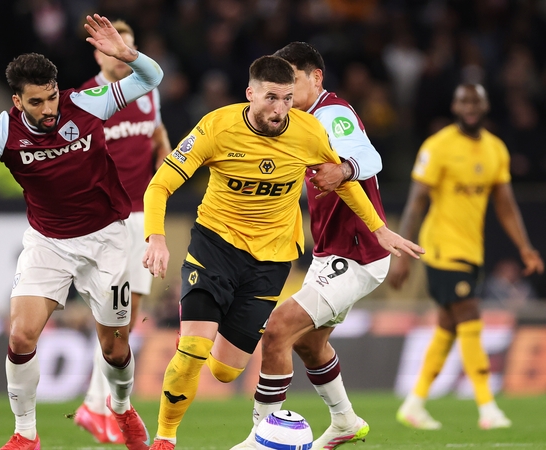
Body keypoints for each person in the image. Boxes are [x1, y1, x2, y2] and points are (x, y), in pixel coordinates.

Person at [142, 55, 423, 450]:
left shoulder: (311, 129)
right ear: (250, 94)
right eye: (271, 98)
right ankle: (167, 438)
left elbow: (348, 179)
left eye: (287, 99)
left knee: (225, 371)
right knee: (197, 349)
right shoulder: (217, 126)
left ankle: (343, 420)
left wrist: (379, 228)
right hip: (215, 246)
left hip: (270, 261)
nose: (280, 109)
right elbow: (160, 185)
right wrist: (155, 237)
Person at [0, 14, 163, 450]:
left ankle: (120, 406)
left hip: (107, 240)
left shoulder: (88, 103)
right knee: (20, 336)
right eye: (36, 102)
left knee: (115, 349)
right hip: (48, 243)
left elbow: (152, 78)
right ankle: (26, 434)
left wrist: (126, 54)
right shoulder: (5, 131)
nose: (49, 109)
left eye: (52, 97)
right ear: (17, 101)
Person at [230, 41, 400, 450]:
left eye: (292, 80)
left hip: (358, 252)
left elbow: (369, 157)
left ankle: (261, 438)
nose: (285, 92)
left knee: (277, 330)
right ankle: (344, 421)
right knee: (309, 342)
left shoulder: (331, 113)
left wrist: (344, 169)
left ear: (316, 77)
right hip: (331, 251)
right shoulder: (296, 122)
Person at [389, 83, 543, 430]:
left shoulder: (495, 149)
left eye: (476, 101)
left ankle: (414, 403)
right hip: (442, 249)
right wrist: (403, 254)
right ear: (455, 107)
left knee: (447, 326)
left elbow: (505, 205)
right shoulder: (438, 146)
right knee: (470, 317)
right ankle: (487, 407)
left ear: (485, 106)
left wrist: (525, 247)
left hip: (472, 250)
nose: (470, 107)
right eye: (464, 101)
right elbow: (416, 202)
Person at [73, 19, 172, 445]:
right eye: (112, 47)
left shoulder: (147, 91)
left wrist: (167, 165)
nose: (121, 55)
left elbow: (158, 135)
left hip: (142, 217)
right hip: (107, 220)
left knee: (128, 318)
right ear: (98, 52)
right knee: (114, 317)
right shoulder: (87, 99)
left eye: (127, 48)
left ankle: (96, 407)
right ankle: (97, 407)